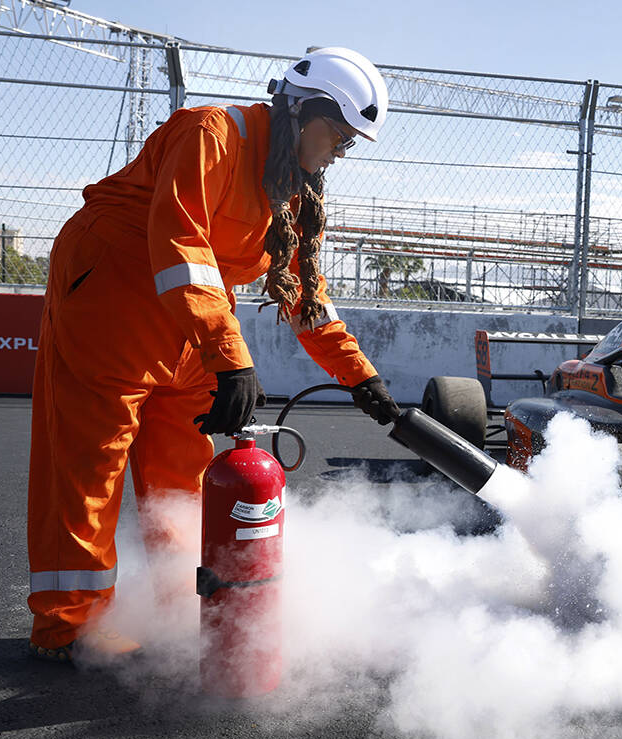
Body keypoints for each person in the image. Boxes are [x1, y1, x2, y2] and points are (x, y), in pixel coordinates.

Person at [27, 47, 400, 663]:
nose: (340, 152)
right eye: (338, 135)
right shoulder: (212, 133)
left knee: (182, 473)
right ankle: (68, 628)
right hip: (113, 292)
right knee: (89, 466)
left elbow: (308, 297)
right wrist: (232, 358)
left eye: (350, 144)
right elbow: (177, 243)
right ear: (302, 110)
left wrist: (361, 378)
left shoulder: (294, 189)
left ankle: (178, 609)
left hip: (193, 315)